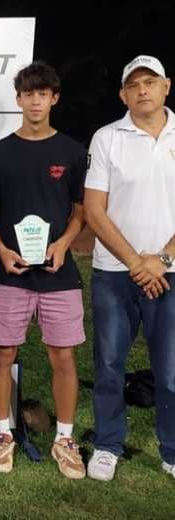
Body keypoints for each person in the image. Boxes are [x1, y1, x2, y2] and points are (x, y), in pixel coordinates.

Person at [0, 61, 88, 479]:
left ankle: (64, 437)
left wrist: (63, 244)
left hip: (58, 275)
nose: (36, 100)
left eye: (43, 93)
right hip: (11, 273)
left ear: (54, 98)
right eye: (29, 94)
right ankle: (3, 433)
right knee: (3, 353)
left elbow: (81, 211)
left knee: (63, 356)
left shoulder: (73, 152)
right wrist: (2, 251)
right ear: (19, 99)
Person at [84, 55, 175, 482]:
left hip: (170, 270)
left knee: (171, 367)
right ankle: (107, 443)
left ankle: (171, 449)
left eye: (150, 82)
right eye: (134, 84)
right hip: (114, 273)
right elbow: (94, 212)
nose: (142, 90)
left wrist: (163, 259)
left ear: (166, 87)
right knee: (109, 364)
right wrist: (137, 261)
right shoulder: (107, 138)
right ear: (123, 94)